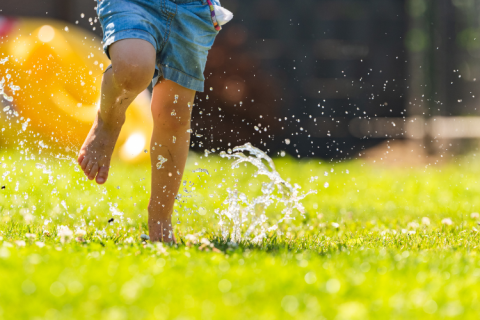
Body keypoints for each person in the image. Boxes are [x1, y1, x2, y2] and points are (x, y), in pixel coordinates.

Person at [77, 0, 224, 242]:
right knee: (133, 68)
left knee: (174, 116)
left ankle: (160, 217)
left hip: (191, 9)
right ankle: (109, 120)